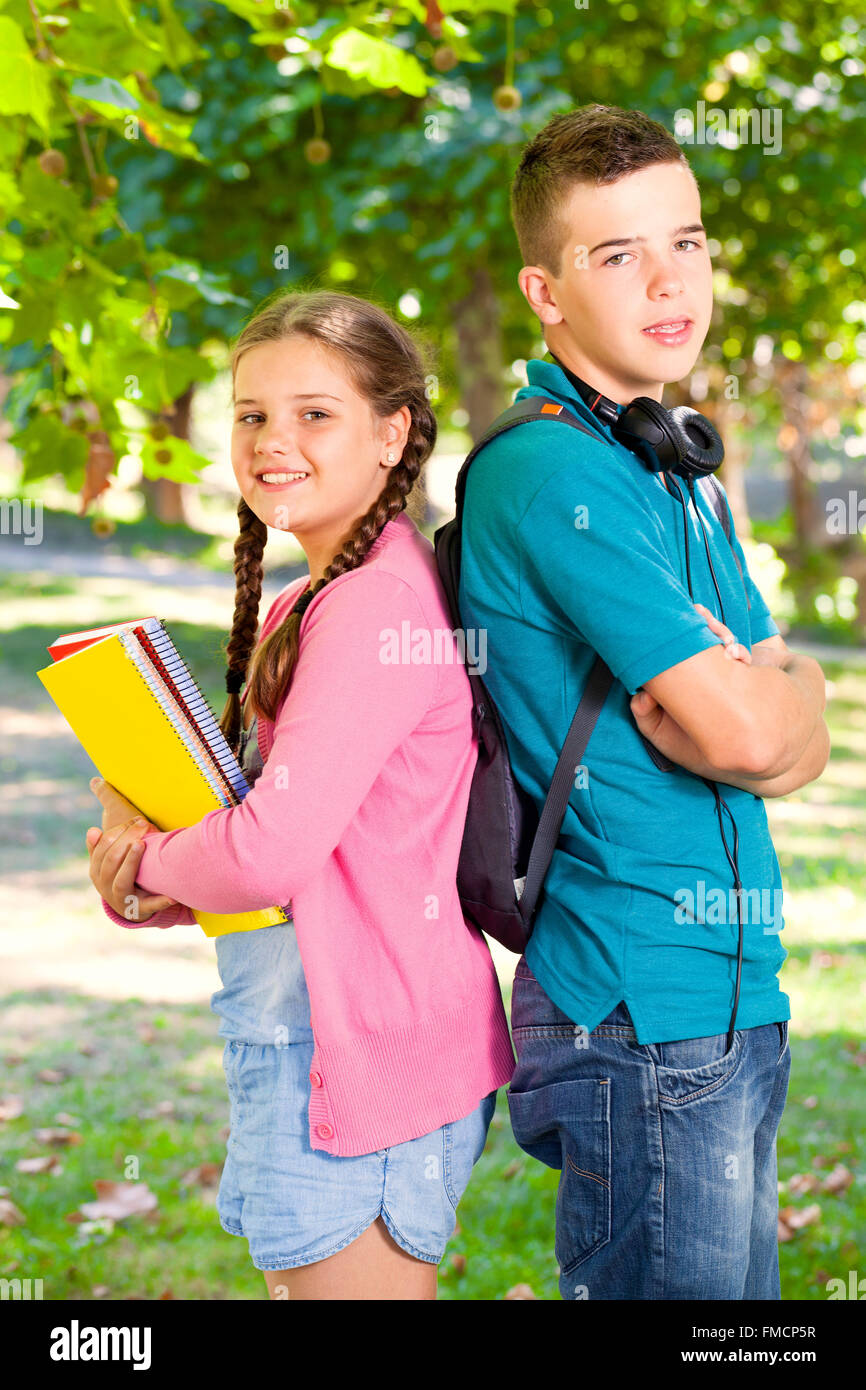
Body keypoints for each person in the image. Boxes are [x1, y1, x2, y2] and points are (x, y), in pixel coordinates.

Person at [457, 104, 830, 1300]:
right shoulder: (553, 469)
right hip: (639, 1008)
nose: (669, 281)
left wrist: (779, 699)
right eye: (617, 255)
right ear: (546, 290)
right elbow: (738, 725)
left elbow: (784, 713)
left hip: (728, 992)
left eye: (687, 242)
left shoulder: (671, 468)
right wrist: (759, 711)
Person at [86, 289, 515, 1300]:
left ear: (391, 432)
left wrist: (147, 859)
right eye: (250, 415)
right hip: (330, 1037)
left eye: (313, 413)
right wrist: (143, 879)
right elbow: (301, 858)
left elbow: (270, 850)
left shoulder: (373, 604)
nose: (273, 441)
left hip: (367, 1054)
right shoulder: (317, 595)